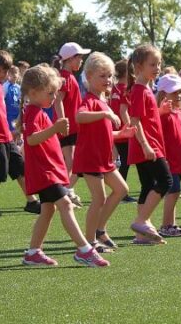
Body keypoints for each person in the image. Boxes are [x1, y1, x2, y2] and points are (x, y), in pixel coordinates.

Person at [20, 64, 110, 267]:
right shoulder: (33, 112)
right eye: (50, 93)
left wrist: (54, 129)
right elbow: (32, 140)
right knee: (66, 204)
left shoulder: (38, 110)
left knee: (48, 210)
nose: (54, 98)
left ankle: (33, 252)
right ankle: (84, 250)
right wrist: (55, 128)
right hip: (45, 172)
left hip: (48, 170)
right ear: (33, 93)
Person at [73, 52, 134, 250]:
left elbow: (105, 133)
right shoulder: (90, 99)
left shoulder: (103, 101)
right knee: (98, 198)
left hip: (103, 158)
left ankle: (100, 230)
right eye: (102, 76)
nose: (108, 80)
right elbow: (80, 117)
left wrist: (121, 134)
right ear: (89, 77)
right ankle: (90, 241)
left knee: (121, 189)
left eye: (110, 76)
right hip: (90, 158)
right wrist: (105, 113)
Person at [0, 50, 39, 217]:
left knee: (19, 166)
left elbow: (1, 113)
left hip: (6, 136)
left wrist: (13, 130)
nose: (1, 75)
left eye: (4, 71)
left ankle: (31, 201)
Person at [127, 44, 172, 245]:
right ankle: (141, 221)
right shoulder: (139, 90)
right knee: (166, 181)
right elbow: (135, 121)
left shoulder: (145, 90)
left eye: (159, 64)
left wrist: (160, 111)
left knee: (147, 186)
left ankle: (141, 235)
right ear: (138, 66)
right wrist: (146, 146)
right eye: (152, 64)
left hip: (148, 145)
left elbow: (146, 117)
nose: (157, 68)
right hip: (147, 146)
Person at [155, 74, 181, 237]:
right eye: (174, 92)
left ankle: (171, 223)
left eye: (180, 92)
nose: (178, 95)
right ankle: (165, 225)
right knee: (174, 190)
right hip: (168, 159)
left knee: (175, 192)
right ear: (163, 94)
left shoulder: (178, 113)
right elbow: (158, 138)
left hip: (178, 158)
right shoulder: (162, 115)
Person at [54, 42, 91, 207]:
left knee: (72, 164)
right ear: (70, 59)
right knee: (74, 164)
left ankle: (67, 191)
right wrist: (63, 121)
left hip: (73, 126)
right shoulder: (65, 78)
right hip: (68, 127)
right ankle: (65, 192)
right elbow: (58, 101)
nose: (81, 61)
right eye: (79, 58)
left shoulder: (69, 77)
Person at [109, 60, 136, 203]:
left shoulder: (115, 88)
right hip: (122, 131)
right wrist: (130, 127)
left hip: (114, 129)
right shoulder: (125, 88)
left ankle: (119, 190)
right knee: (125, 161)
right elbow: (123, 111)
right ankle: (121, 192)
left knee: (115, 161)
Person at [4, 66, 22, 141]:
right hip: (9, 114)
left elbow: (21, 100)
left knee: (18, 134)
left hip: (18, 114)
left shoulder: (19, 87)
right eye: (12, 73)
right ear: (8, 74)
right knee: (12, 133)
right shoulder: (5, 86)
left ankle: (17, 151)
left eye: (16, 73)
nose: (14, 75)